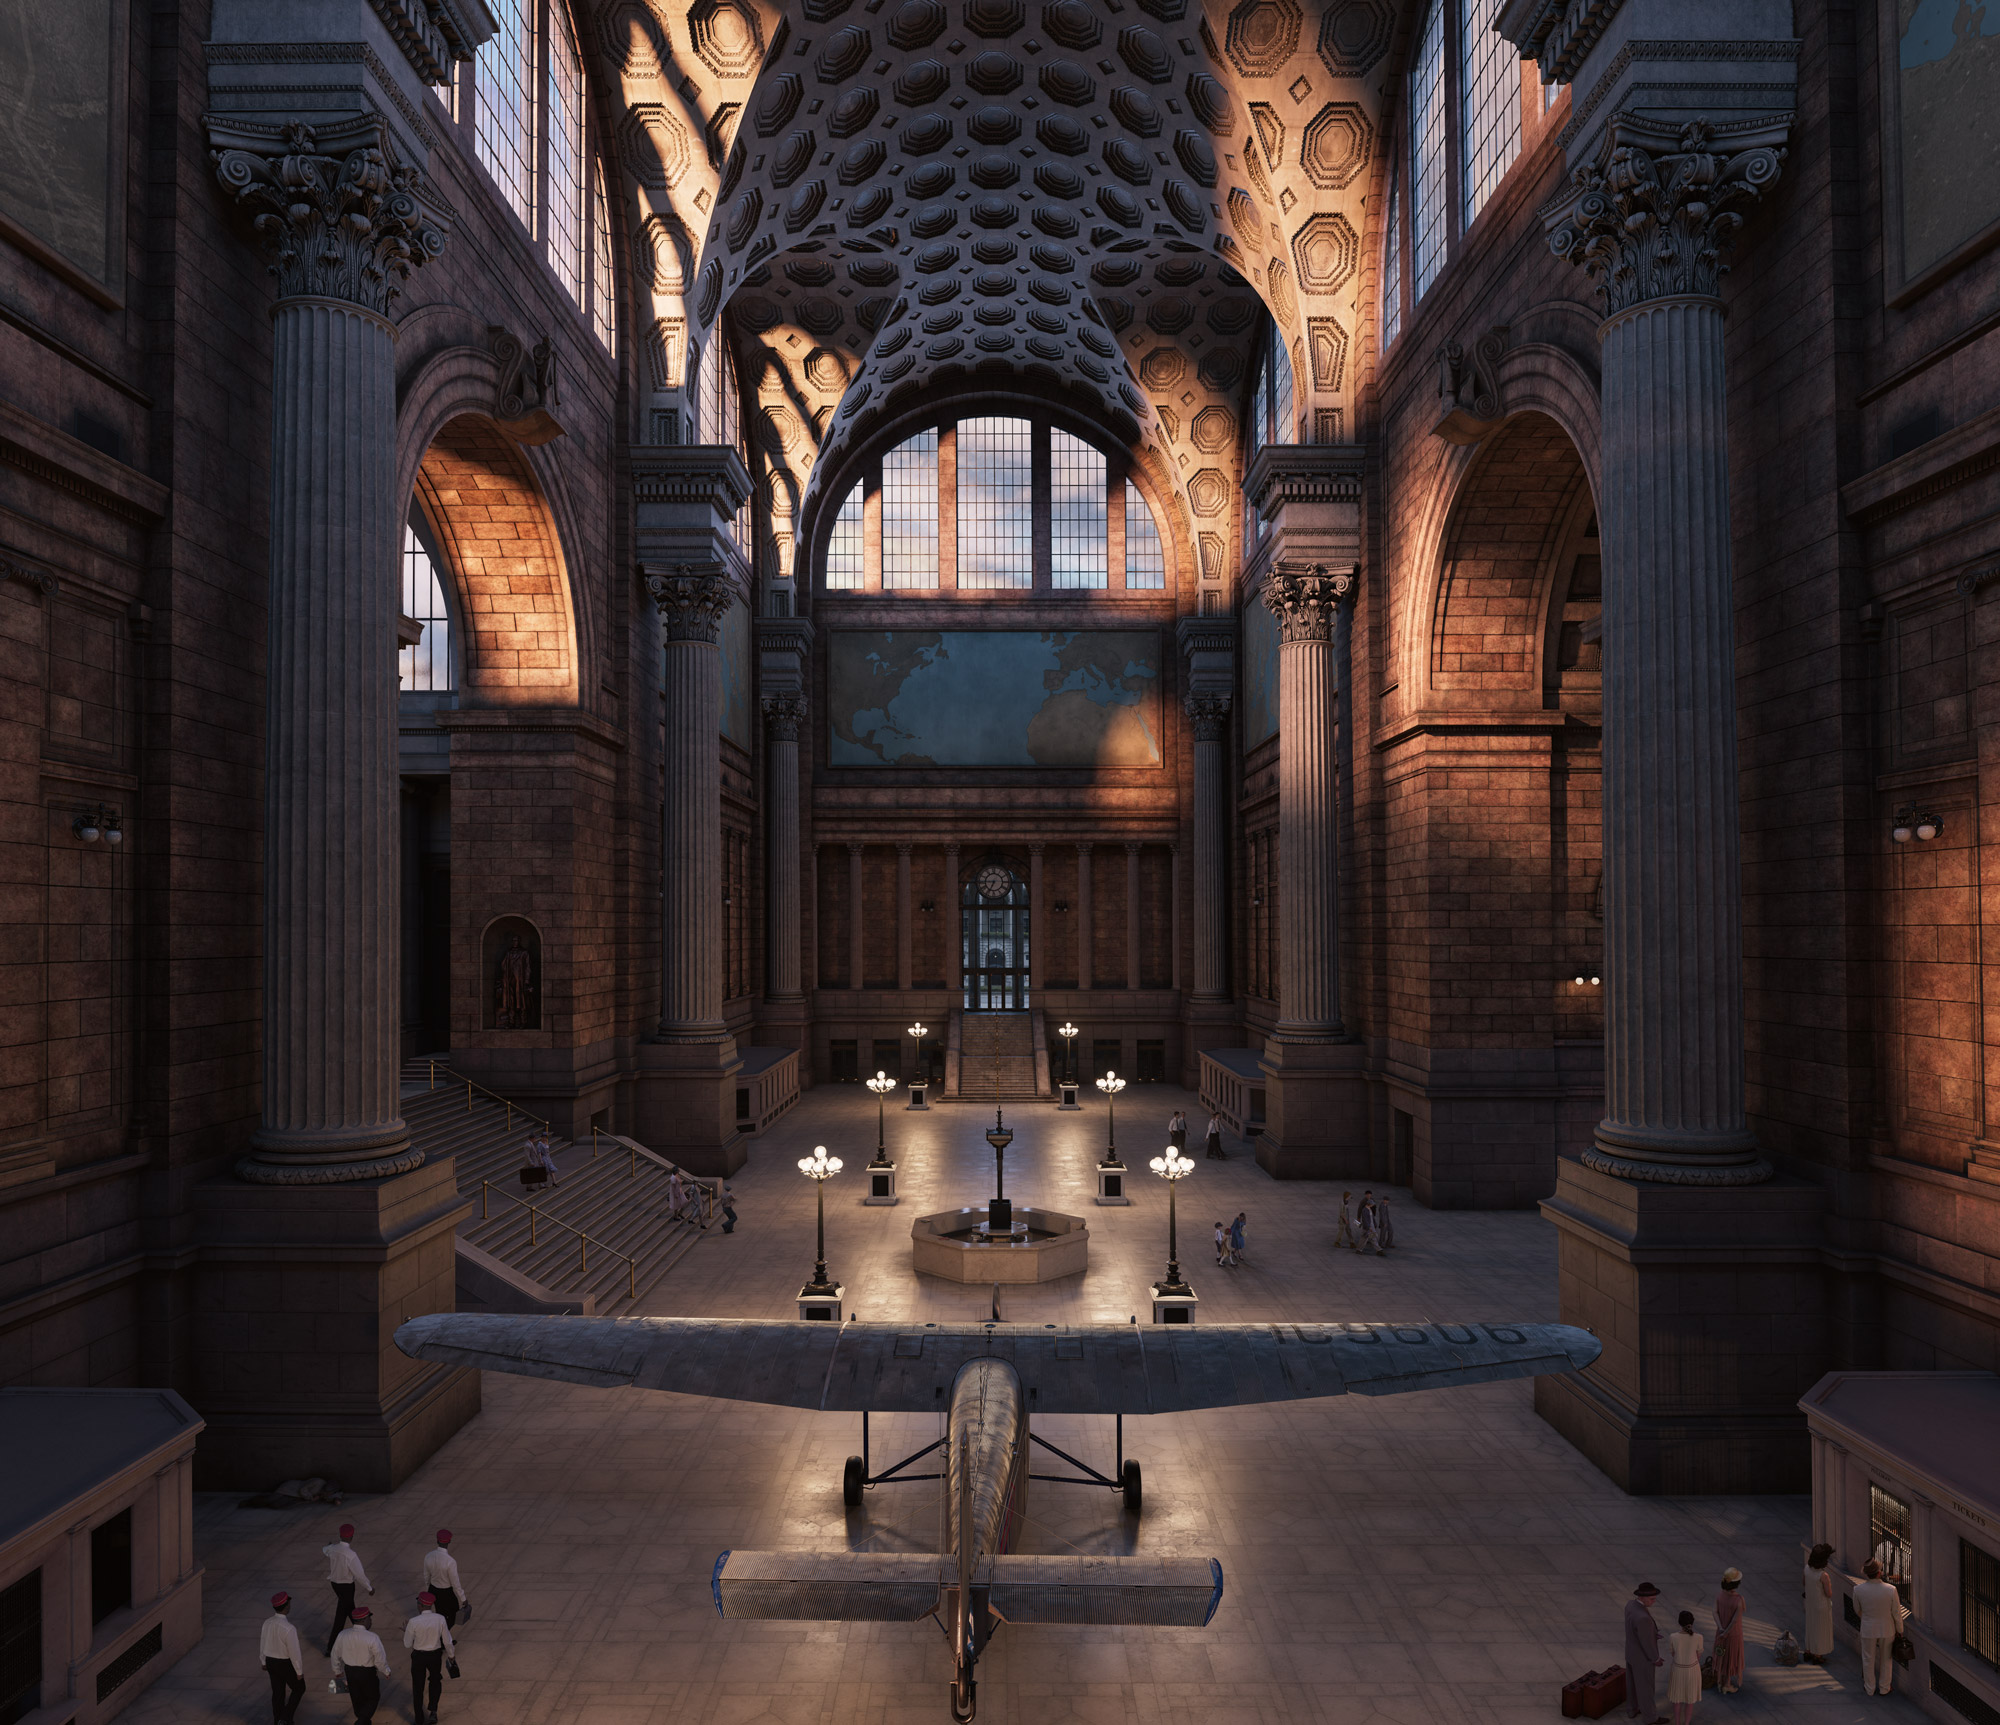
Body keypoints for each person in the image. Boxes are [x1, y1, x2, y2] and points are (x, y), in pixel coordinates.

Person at [330, 1604, 391, 1722]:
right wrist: (386, 1671)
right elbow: (379, 1658)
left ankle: (363, 1720)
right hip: (367, 1673)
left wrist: (337, 1670)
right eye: (369, 1618)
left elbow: (335, 1654)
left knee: (357, 1698)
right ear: (364, 1620)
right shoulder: (372, 1637)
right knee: (373, 1698)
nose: (371, 1621)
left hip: (350, 1672)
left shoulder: (343, 1634)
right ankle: (361, 1721)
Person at [1854, 1558, 1905, 1696]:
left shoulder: (1858, 1590)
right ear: (1878, 1573)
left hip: (1868, 1628)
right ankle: (1884, 1687)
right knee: (1886, 1659)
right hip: (1887, 1628)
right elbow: (1896, 1613)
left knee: (1868, 1658)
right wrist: (1900, 1630)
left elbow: (1857, 1609)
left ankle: (1869, 1687)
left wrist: (1867, 1619)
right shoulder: (1891, 1590)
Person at [404, 1590, 456, 1725]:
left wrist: (407, 1632)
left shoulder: (413, 1622)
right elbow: (447, 1641)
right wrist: (451, 1655)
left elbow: (407, 1643)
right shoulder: (440, 1619)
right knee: (435, 1681)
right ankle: (433, 1712)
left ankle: (419, 1718)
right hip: (434, 1656)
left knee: (418, 1687)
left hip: (418, 1657)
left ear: (420, 1605)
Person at [322, 1523, 374, 1655]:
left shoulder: (333, 1549)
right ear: (351, 1537)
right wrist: (369, 1588)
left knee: (348, 1609)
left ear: (340, 1535)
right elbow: (359, 1574)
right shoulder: (351, 1555)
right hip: (347, 1587)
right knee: (341, 1617)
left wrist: (329, 1546)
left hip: (335, 1585)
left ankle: (363, 1632)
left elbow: (325, 1550)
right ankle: (331, 1647)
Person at [260, 1591, 306, 1725]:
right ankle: (285, 1718)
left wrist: (263, 1660)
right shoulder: (289, 1628)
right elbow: (294, 1652)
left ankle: (277, 1721)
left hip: (270, 1662)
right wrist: (299, 1671)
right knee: (299, 1688)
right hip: (284, 1663)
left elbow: (263, 1642)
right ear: (287, 1606)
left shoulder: (267, 1623)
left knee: (278, 1692)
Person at [1625, 1582, 1667, 1725]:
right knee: (1646, 1688)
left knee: (1631, 1684)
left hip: (1631, 1653)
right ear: (1642, 1597)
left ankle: (1632, 1709)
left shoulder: (1631, 1605)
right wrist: (1655, 1658)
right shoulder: (1643, 1617)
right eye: (1652, 1599)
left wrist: (1652, 1633)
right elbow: (1647, 1643)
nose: (1654, 1601)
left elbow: (1637, 1632)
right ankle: (1650, 1718)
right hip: (1642, 1659)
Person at [423, 1530, 467, 1631]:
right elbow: (455, 1583)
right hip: (446, 1592)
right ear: (449, 1542)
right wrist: (463, 1598)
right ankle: (442, 1637)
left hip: (433, 1589)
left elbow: (426, 1576)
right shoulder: (450, 1561)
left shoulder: (428, 1556)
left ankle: (441, 1637)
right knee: (453, 1614)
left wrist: (429, 1589)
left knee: (440, 1613)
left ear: (437, 1541)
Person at [1667, 1609, 1705, 1725]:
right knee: (1690, 1700)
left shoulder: (1673, 1637)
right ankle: (1686, 1723)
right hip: (1692, 1669)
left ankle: (1677, 1723)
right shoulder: (1699, 1637)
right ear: (1692, 1623)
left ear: (1679, 1622)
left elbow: (1673, 1654)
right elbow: (1698, 1655)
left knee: (1677, 1700)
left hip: (1678, 1669)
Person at [1713, 1568, 1746, 1693]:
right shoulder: (1739, 1600)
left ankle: (1721, 1681)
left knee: (1721, 1655)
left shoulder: (1720, 1595)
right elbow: (1734, 1621)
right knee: (1731, 1658)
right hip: (1733, 1635)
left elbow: (1714, 1612)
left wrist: (1720, 1629)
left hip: (1720, 1633)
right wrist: (1726, 1632)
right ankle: (1727, 1684)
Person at [1803, 1543, 1835, 1665]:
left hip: (1810, 1602)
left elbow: (1804, 1582)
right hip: (1821, 1605)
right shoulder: (1823, 1575)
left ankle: (1808, 1650)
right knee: (1821, 1629)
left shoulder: (1806, 1568)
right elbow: (1829, 1593)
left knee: (1810, 1626)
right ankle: (1818, 1654)